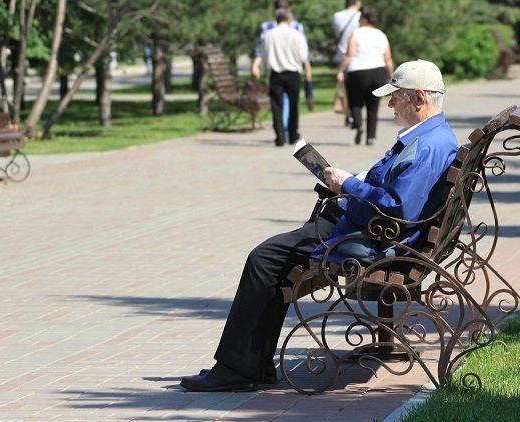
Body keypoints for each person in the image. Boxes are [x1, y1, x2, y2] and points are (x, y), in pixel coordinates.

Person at [179, 59, 458, 392]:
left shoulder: (426, 146)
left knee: (263, 259)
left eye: (395, 97)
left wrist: (349, 186)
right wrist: (348, 183)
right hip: (365, 228)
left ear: (417, 98)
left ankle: (240, 368)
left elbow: (397, 210)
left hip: (367, 238)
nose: (389, 104)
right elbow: (398, 197)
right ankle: (249, 365)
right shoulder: (433, 136)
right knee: (275, 260)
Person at [252, 0, 311, 141]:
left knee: (276, 105)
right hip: (292, 73)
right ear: (289, 19)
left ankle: (279, 135)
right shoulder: (296, 34)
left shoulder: (269, 34)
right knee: (293, 104)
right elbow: (303, 56)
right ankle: (292, 134)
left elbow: (263, 54)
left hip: (275, 73)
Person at [337, 6, 393, 146]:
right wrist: (390, 75)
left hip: (358, 72)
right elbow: (387, 58)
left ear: (364, 19)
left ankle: (358, 125)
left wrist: (341, 70)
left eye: (360, 19)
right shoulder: (381, 35)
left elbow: (350, 54)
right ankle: (371, 137)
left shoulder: (356, 34)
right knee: (373, 106)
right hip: (378, 71)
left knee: (355, 102)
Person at [332, 0, 362, 127]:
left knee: (345, 89)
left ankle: (348, 116)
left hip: (342, 56)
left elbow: (336, 34)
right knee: (357, 89)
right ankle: (356, 115)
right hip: (359, 57)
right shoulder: (361, 16)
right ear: (358, 2)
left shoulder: (337, 16)